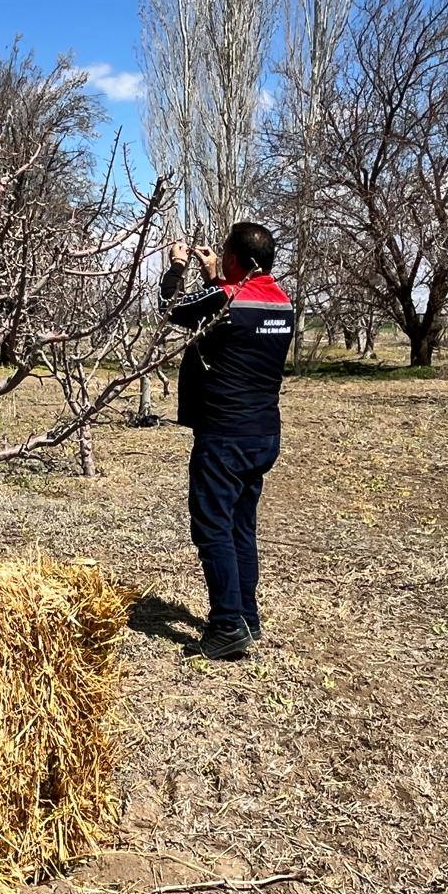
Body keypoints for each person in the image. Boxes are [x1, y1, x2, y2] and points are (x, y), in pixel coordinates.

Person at [161, 222, 293, 660]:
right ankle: (245, 618)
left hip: (223, 435)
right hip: (262, 434)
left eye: (224, 253)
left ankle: (224, 626)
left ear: (236, 258)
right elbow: (229, 324)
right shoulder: (283, 304)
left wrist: (178, 266)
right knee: (241, 526)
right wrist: (218, 275)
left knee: (213, 527)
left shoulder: (226, 299)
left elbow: (172, 308)